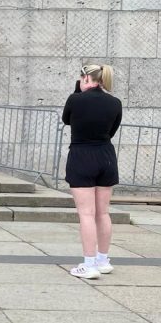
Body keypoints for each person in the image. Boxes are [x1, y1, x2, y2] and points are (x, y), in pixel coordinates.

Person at [62, 63, 122, 280]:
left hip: (82, 155)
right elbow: (112, 130)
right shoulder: (115, 102)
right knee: (103, 212)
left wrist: (78, 92)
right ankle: (102, 260)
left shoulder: (75, 99)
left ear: (86, 78)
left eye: (81, 78)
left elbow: (66, 119)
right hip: (106, 156)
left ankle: (88, 265)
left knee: (86, 214)